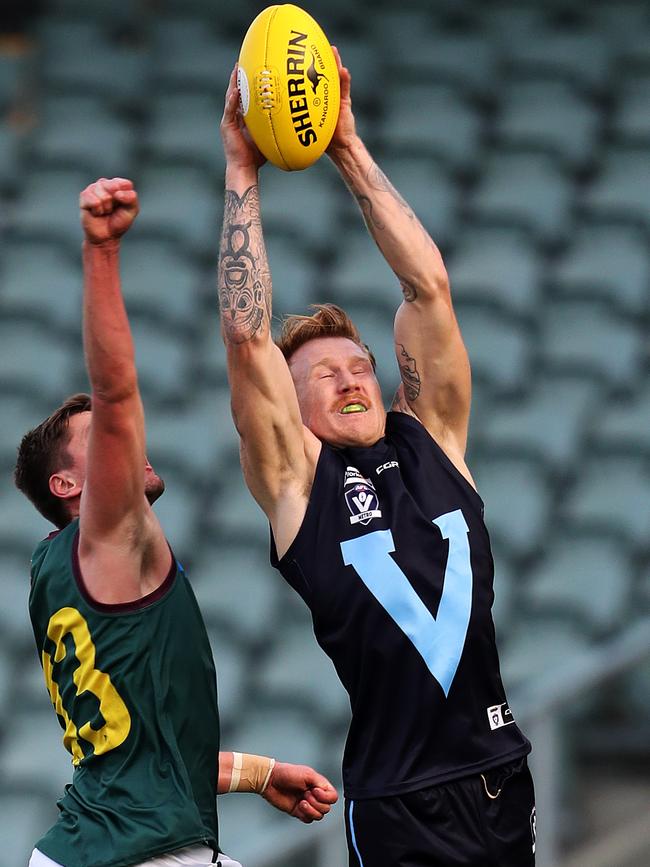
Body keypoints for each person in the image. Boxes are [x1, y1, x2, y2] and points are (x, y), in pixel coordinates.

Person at [218, 50, 536, 867]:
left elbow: (427, 289)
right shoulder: (298, 486)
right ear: (295, 413)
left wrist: (348, 146)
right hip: (401, 801)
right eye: (323, 375)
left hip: (501, 778)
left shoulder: (431, 437)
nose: (351, 377)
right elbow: (247, 339)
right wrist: (240, 167)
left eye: (360, 364)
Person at [14, 177, 337, 867]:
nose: (126, 440)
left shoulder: (54, 565)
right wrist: (101, 251)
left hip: (86, 845)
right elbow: (116, 388)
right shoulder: (107, 533)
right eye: (99, 438)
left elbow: (146, 755)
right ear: (69, 483)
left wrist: (258, 772)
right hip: (140, 855)